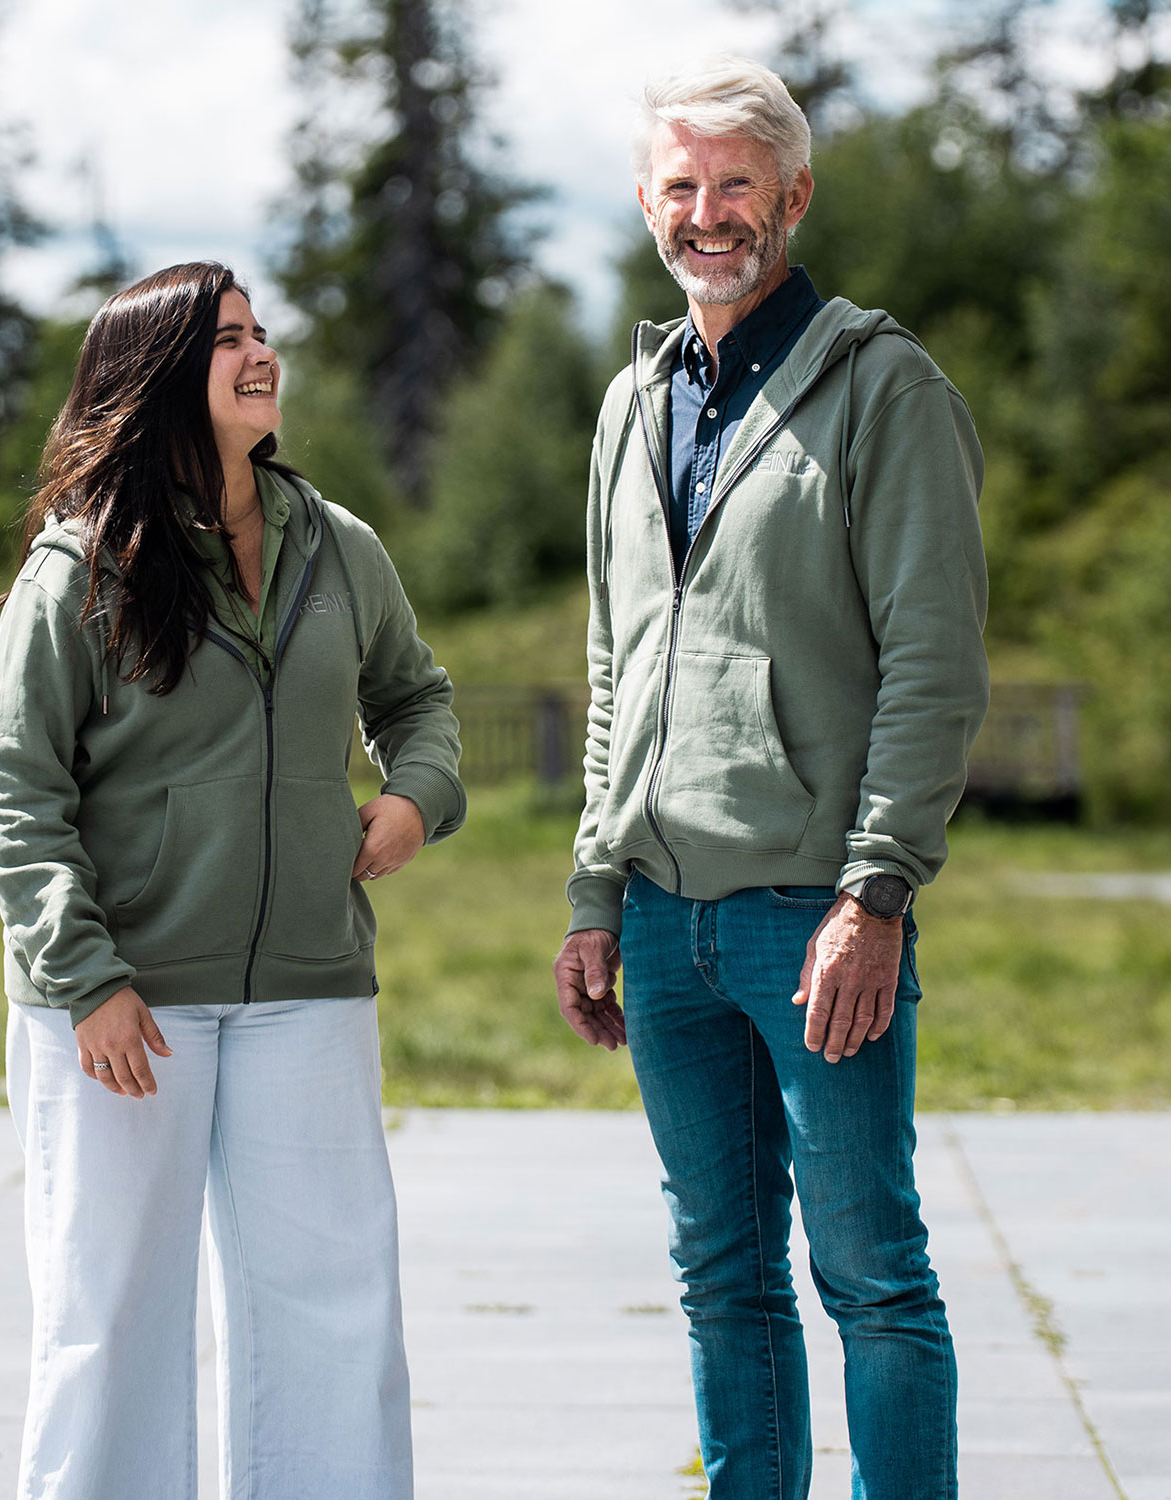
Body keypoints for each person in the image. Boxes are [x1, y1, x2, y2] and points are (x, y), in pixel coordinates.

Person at [552, 56, 988, 1500]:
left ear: (792, 196)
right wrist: (594, 889)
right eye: (680, 185)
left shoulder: (884, 388)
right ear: (645, 205)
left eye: (736, 183)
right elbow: (618, 669)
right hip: (666, 924)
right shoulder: (636, 405)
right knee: (722, 1279)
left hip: (818, 914)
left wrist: (878, 892)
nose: (707, 212)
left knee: (871, 1271)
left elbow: (933, 666)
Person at [0, 261, 464, 1500]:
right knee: (112, 1322)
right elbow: (18, 802)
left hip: (308, 985)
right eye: (226, 339)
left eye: (262, 334)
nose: (262, 357)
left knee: (337, 1311)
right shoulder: (76, 569)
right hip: (120, 1009)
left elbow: (418, 700)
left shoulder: (337, 546)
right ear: (153, 378)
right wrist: (86, 982)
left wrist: (417, 795)